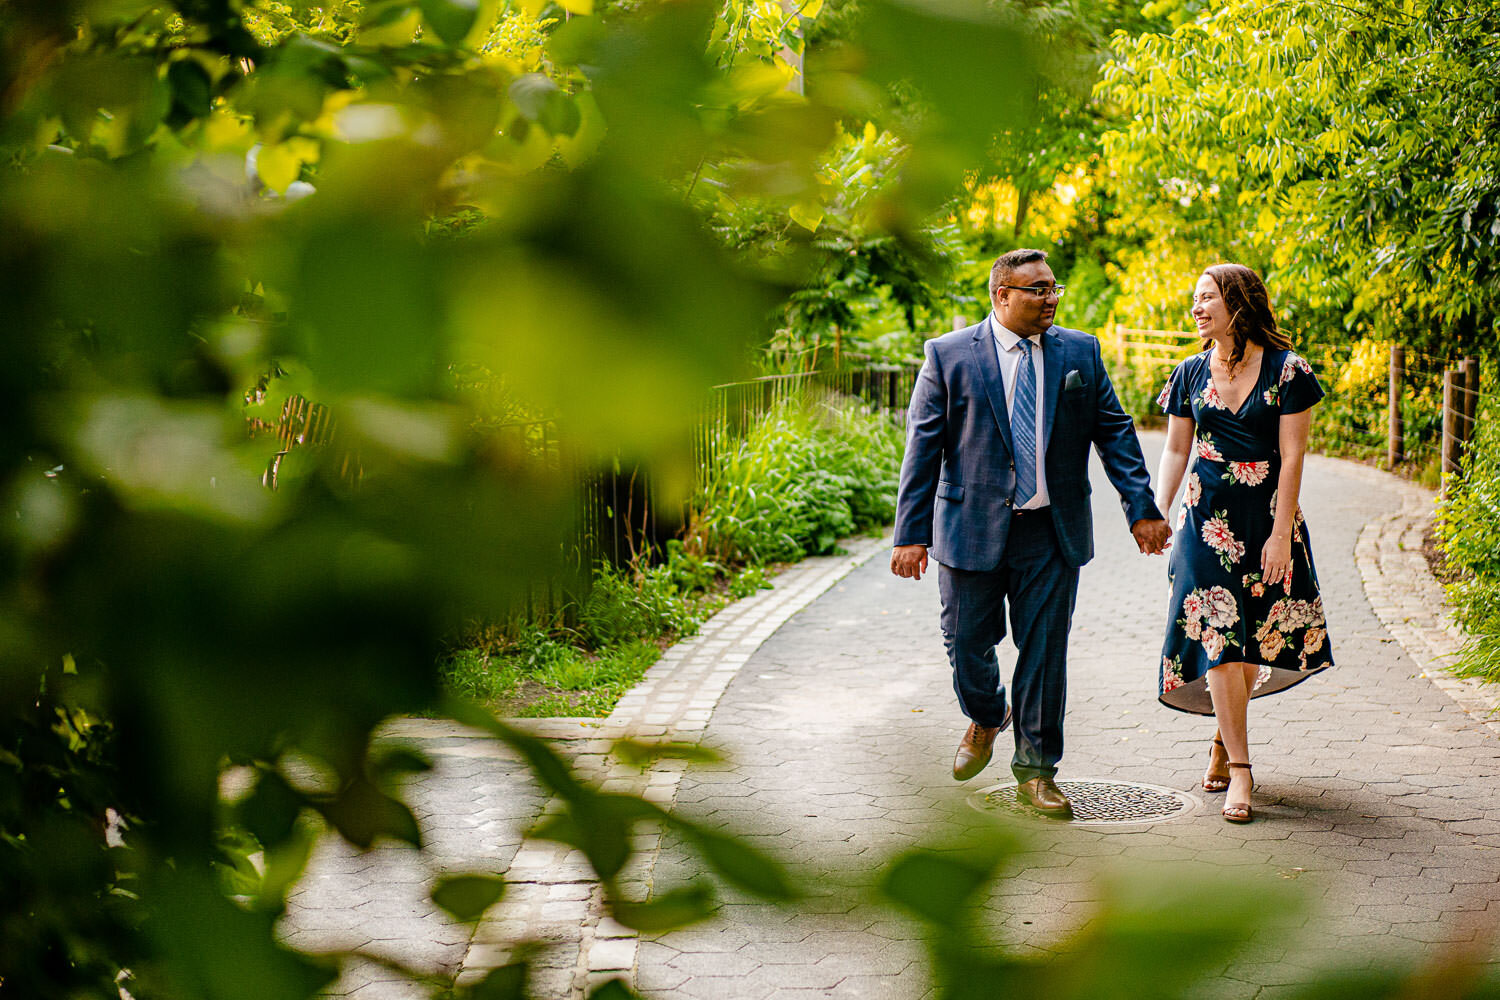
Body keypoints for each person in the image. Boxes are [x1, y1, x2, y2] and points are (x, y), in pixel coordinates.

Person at [891, 248, 1170, 817]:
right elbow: (923, 448)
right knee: (966, 640)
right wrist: (909, 534)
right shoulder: (948, 356)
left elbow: (1114, 433)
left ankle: (1037, 773)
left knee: (1045, 651)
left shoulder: (1080, 352)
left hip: (1051, 530)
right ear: (1002, 296)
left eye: (1053, 288)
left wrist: (1141, 508)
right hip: (969, 527)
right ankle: (988, 714)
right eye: (1037, 290)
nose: (1051, 298)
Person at [1152, 263, 1334, 823]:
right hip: (1204, 522)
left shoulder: (1288, 370)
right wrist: (1155, 514)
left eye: (1207, 297)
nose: (1197, 308)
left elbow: (1294, 457)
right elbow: (1177, 452)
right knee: (1219, 637)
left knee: (1251, 637)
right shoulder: (1188, 372)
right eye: (1194, 299)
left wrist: (1281, 536)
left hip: (1266, 521)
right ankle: (1242, 769)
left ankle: (1220, 739)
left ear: (1237, 302)